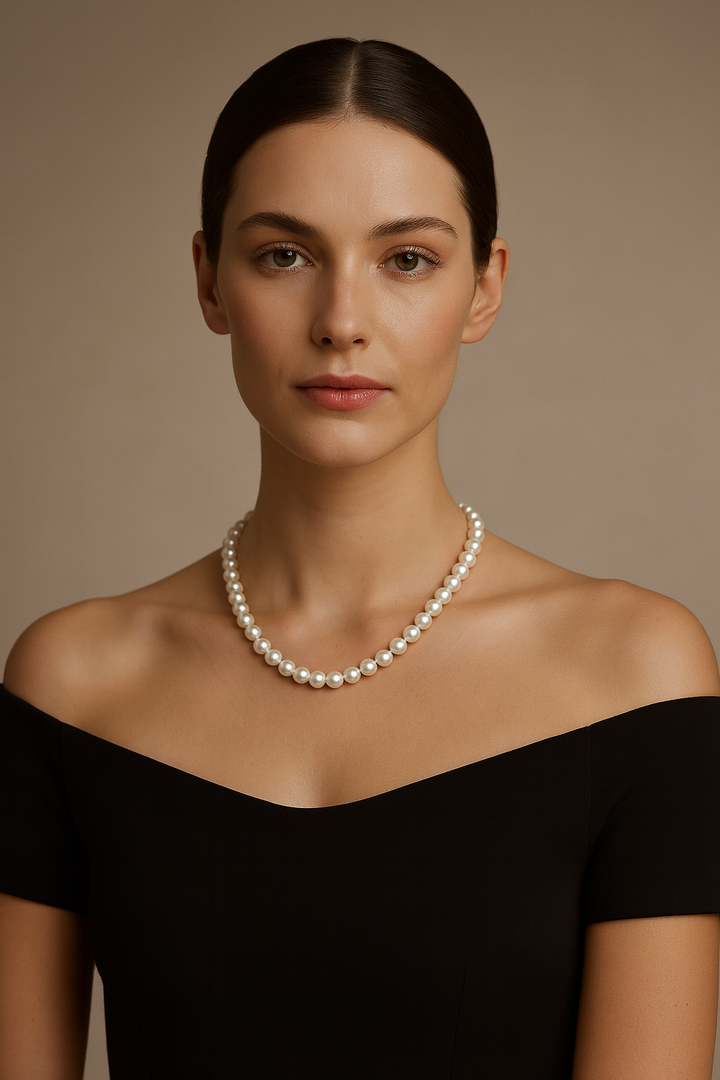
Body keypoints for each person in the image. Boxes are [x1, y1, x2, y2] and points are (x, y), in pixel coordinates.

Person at [1, 36, 719, 1080]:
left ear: (484, 287)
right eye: (283, 255)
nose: (342, 321)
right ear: (209, 282)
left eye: (407, 260)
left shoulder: (634, 671)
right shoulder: (73, 685)